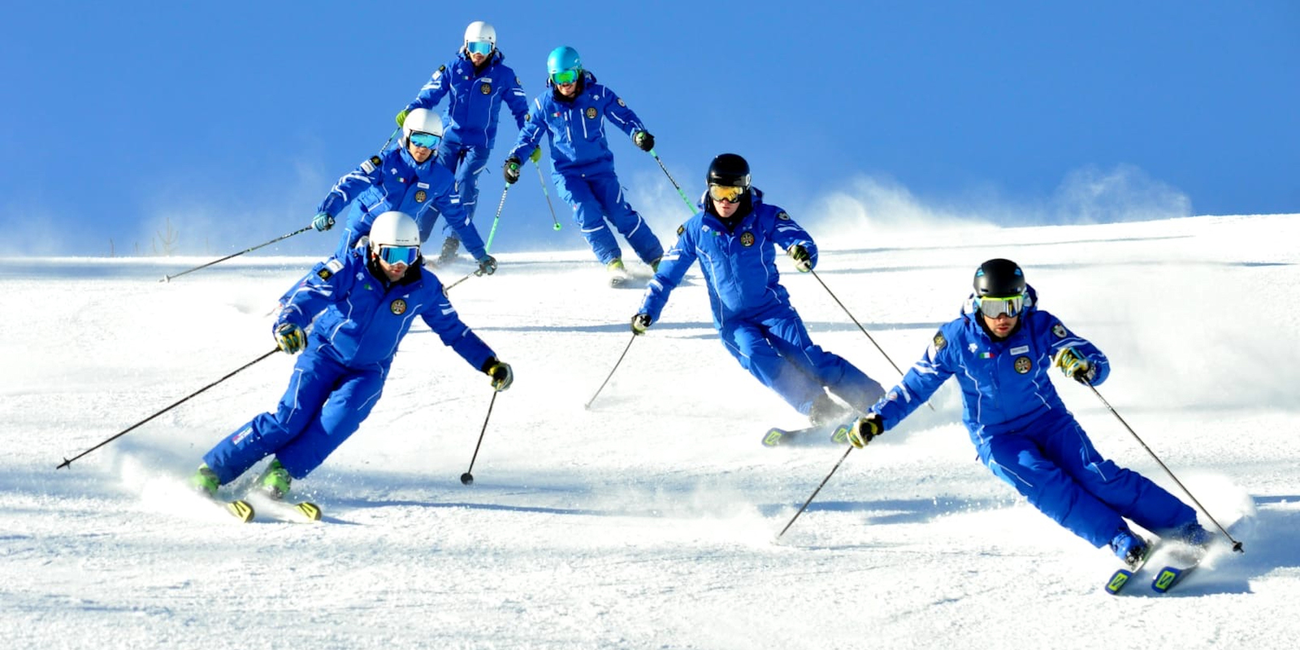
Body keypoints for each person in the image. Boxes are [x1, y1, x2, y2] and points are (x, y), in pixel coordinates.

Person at [845, 259, 1211, 567]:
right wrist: (878, 418)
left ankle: (1183, 528)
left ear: (1022, 302)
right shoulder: (953, 339)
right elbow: (914, 385)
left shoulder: (1039, 326)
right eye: (993, 308)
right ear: (977, 304)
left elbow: (1090, 355)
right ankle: (1120, 540)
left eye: (1011, 306)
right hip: (997, 438)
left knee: (1097, 477)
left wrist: (1081, 363)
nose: (1003, 317)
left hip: (1049, 420)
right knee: (1048, 487)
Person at [191, 211, 514, 501]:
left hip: (369, 370)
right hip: (324, 355)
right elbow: (307, 296)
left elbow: (453, 331)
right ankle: (214, 471)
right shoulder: (347, 267)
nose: (399, 263)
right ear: (374, 249)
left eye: (408, 254)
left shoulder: (425, 287)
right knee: (291, 418)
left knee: (339, 421)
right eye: (391, 253)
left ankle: (282, 472)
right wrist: (289, 324)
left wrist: (489, 363)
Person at [632, 153, 885, 425]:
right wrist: (647, 311)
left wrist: (801, 252)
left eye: (733, 193)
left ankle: (875, 400)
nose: (725, 201)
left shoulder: (764, 216)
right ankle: (819, 408)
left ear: (746, 190)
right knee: (757, 357)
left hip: (772, 310)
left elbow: (796, 237)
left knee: (807, 358)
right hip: (733, 321)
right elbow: (666, 276)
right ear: (708, 188)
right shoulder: (696, 230)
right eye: (719, 192)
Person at [503, 45, 664, 286]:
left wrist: (638, 134)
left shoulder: (597, 95)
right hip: (567, 173)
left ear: (578, 72)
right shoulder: (544, 104)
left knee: (619, 212)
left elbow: (624, 116)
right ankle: (613, 262)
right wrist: (514, 160)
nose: (564, 84)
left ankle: (657, 259)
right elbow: (528, 137)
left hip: (600, 168)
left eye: (568, 76)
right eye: (558, 78)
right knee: (586, 210)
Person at [395, 21, 530, 265]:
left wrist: (528, 137)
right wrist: (412, 111)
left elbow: (521, 109)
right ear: (466, 45)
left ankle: (452, 241)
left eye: (485, 47)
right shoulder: (453, 68)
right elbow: (431, 92)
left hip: (480, 142)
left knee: (465, 181)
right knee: (435, 183)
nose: (479, 52)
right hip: (449, 138)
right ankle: (415, 238)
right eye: (475, 46)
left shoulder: (503, 75)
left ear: (493, 47)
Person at [311, 108, 498, 277]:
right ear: (407, 136)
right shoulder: (384, 162)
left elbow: (459, 219)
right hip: (364, 225)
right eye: (418, 139)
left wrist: (480, 254)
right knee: (344, 270)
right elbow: (350, 184)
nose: (423, 148)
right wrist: (327, 210)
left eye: (431, 141)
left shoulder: (441, 179)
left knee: (403, 283)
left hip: (398, 234)